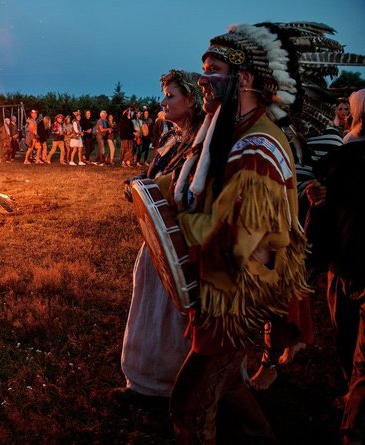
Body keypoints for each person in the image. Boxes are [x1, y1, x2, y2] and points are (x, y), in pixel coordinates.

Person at [169, 23, 312, 444]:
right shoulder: (233, 129)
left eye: (212, 69)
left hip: (236, 300)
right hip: (226, 295)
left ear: (244, 79)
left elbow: (235, 244)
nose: (201, 81)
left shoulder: (258, 148)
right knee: (226, 382)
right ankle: (261, 433)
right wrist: (152, 197)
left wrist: (176, 227)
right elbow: (204, 187)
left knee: (189, 406)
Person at [118, 69, 204, 402]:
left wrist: (150, 188)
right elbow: (153, 175)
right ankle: (142, 380)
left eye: (171, 96)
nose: (163, 102)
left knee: (174, 314)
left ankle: (175, 384)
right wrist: (137, 184)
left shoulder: (203, 144)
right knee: (148, 305)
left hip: (183, 240)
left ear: (192, 101)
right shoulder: (170, 138)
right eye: (164, 95)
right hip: (157, 239)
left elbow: (191, 191)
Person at [306, 88, 365, 443]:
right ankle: (351, 392)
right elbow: (323, 204)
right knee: (345, 331)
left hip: (347, 258)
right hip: (344, 260)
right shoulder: (341, 155)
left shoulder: (341, 155)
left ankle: (353, 427)